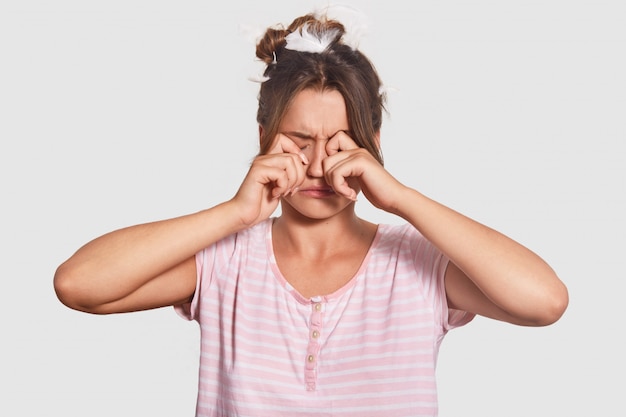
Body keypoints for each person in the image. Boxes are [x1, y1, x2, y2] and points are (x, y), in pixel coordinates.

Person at [54, 10, 569, 417]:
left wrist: (402, 199)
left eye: (342, 144)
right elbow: (79, 285)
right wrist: (235, 213)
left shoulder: (418, 263)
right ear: (264, 139)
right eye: (300, 141)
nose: (321, 166)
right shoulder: (225, 261)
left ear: (373, 145)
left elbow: (544, 301)